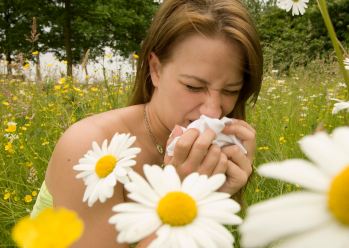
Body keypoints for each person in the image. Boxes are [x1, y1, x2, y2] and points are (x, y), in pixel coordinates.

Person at [34, 0, 263, 247]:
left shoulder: (215, 154)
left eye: (231, 90)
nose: (213, 111)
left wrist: (214, 197)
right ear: (155, 69)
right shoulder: (90, 149)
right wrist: (185, 198)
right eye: (193, 86)